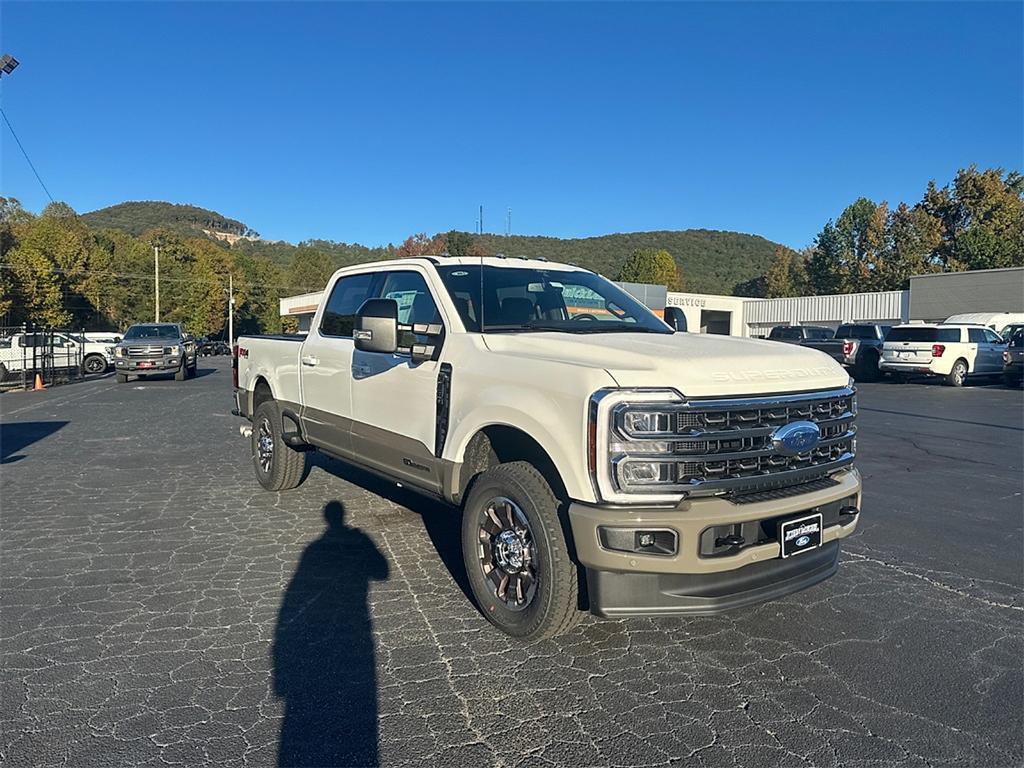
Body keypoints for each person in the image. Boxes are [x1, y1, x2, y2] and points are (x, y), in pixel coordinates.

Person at [273, 501, 389, 767]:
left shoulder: (311, 551)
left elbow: (289, 601)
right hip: (356, 628)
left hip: (326, 633)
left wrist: (279, 673)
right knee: (359, 711)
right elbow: (382, 572)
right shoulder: (356, 540)